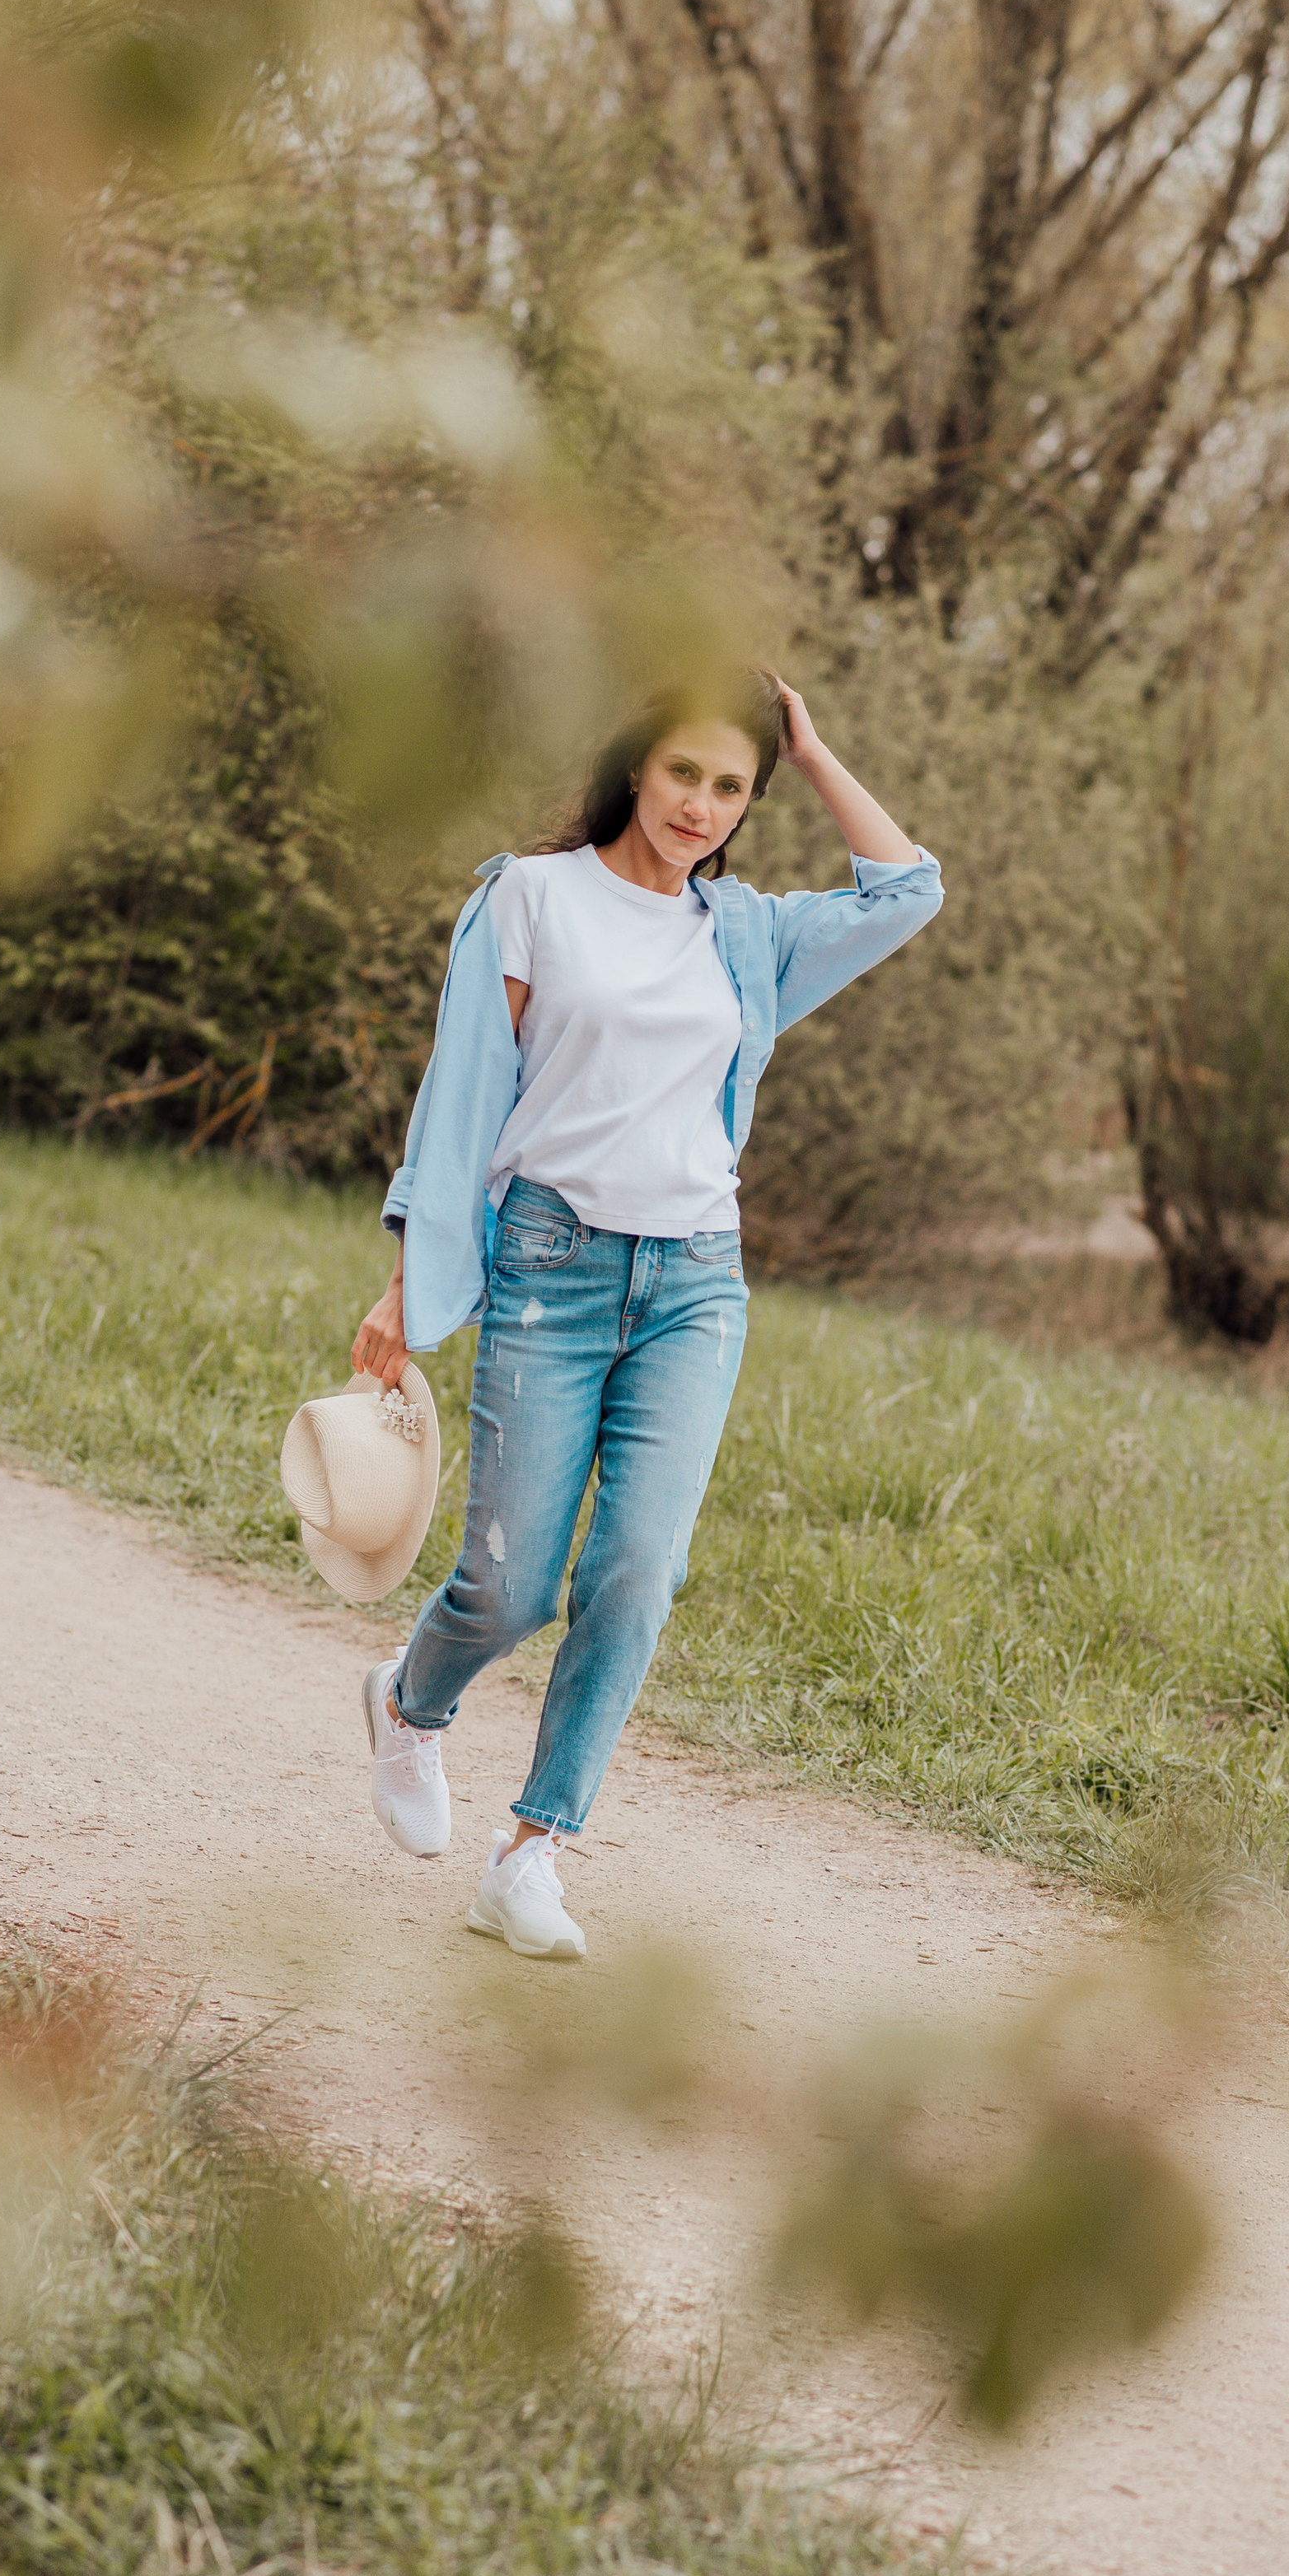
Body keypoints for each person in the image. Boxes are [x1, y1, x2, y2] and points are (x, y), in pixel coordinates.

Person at [349, 665, 941, 1959]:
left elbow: (908, 889)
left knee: (636, 1572)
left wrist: (815, 747)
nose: (702, 807)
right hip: (550, 1267)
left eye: (732, 787)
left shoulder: (749, 933)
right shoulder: (531, 897)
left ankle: (534, 1851)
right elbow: (460, 1103)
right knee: (507, 1587)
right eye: (685, 773)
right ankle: (410, 1701)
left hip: (697, 1282)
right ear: (635, 766)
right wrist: (408, 1275)